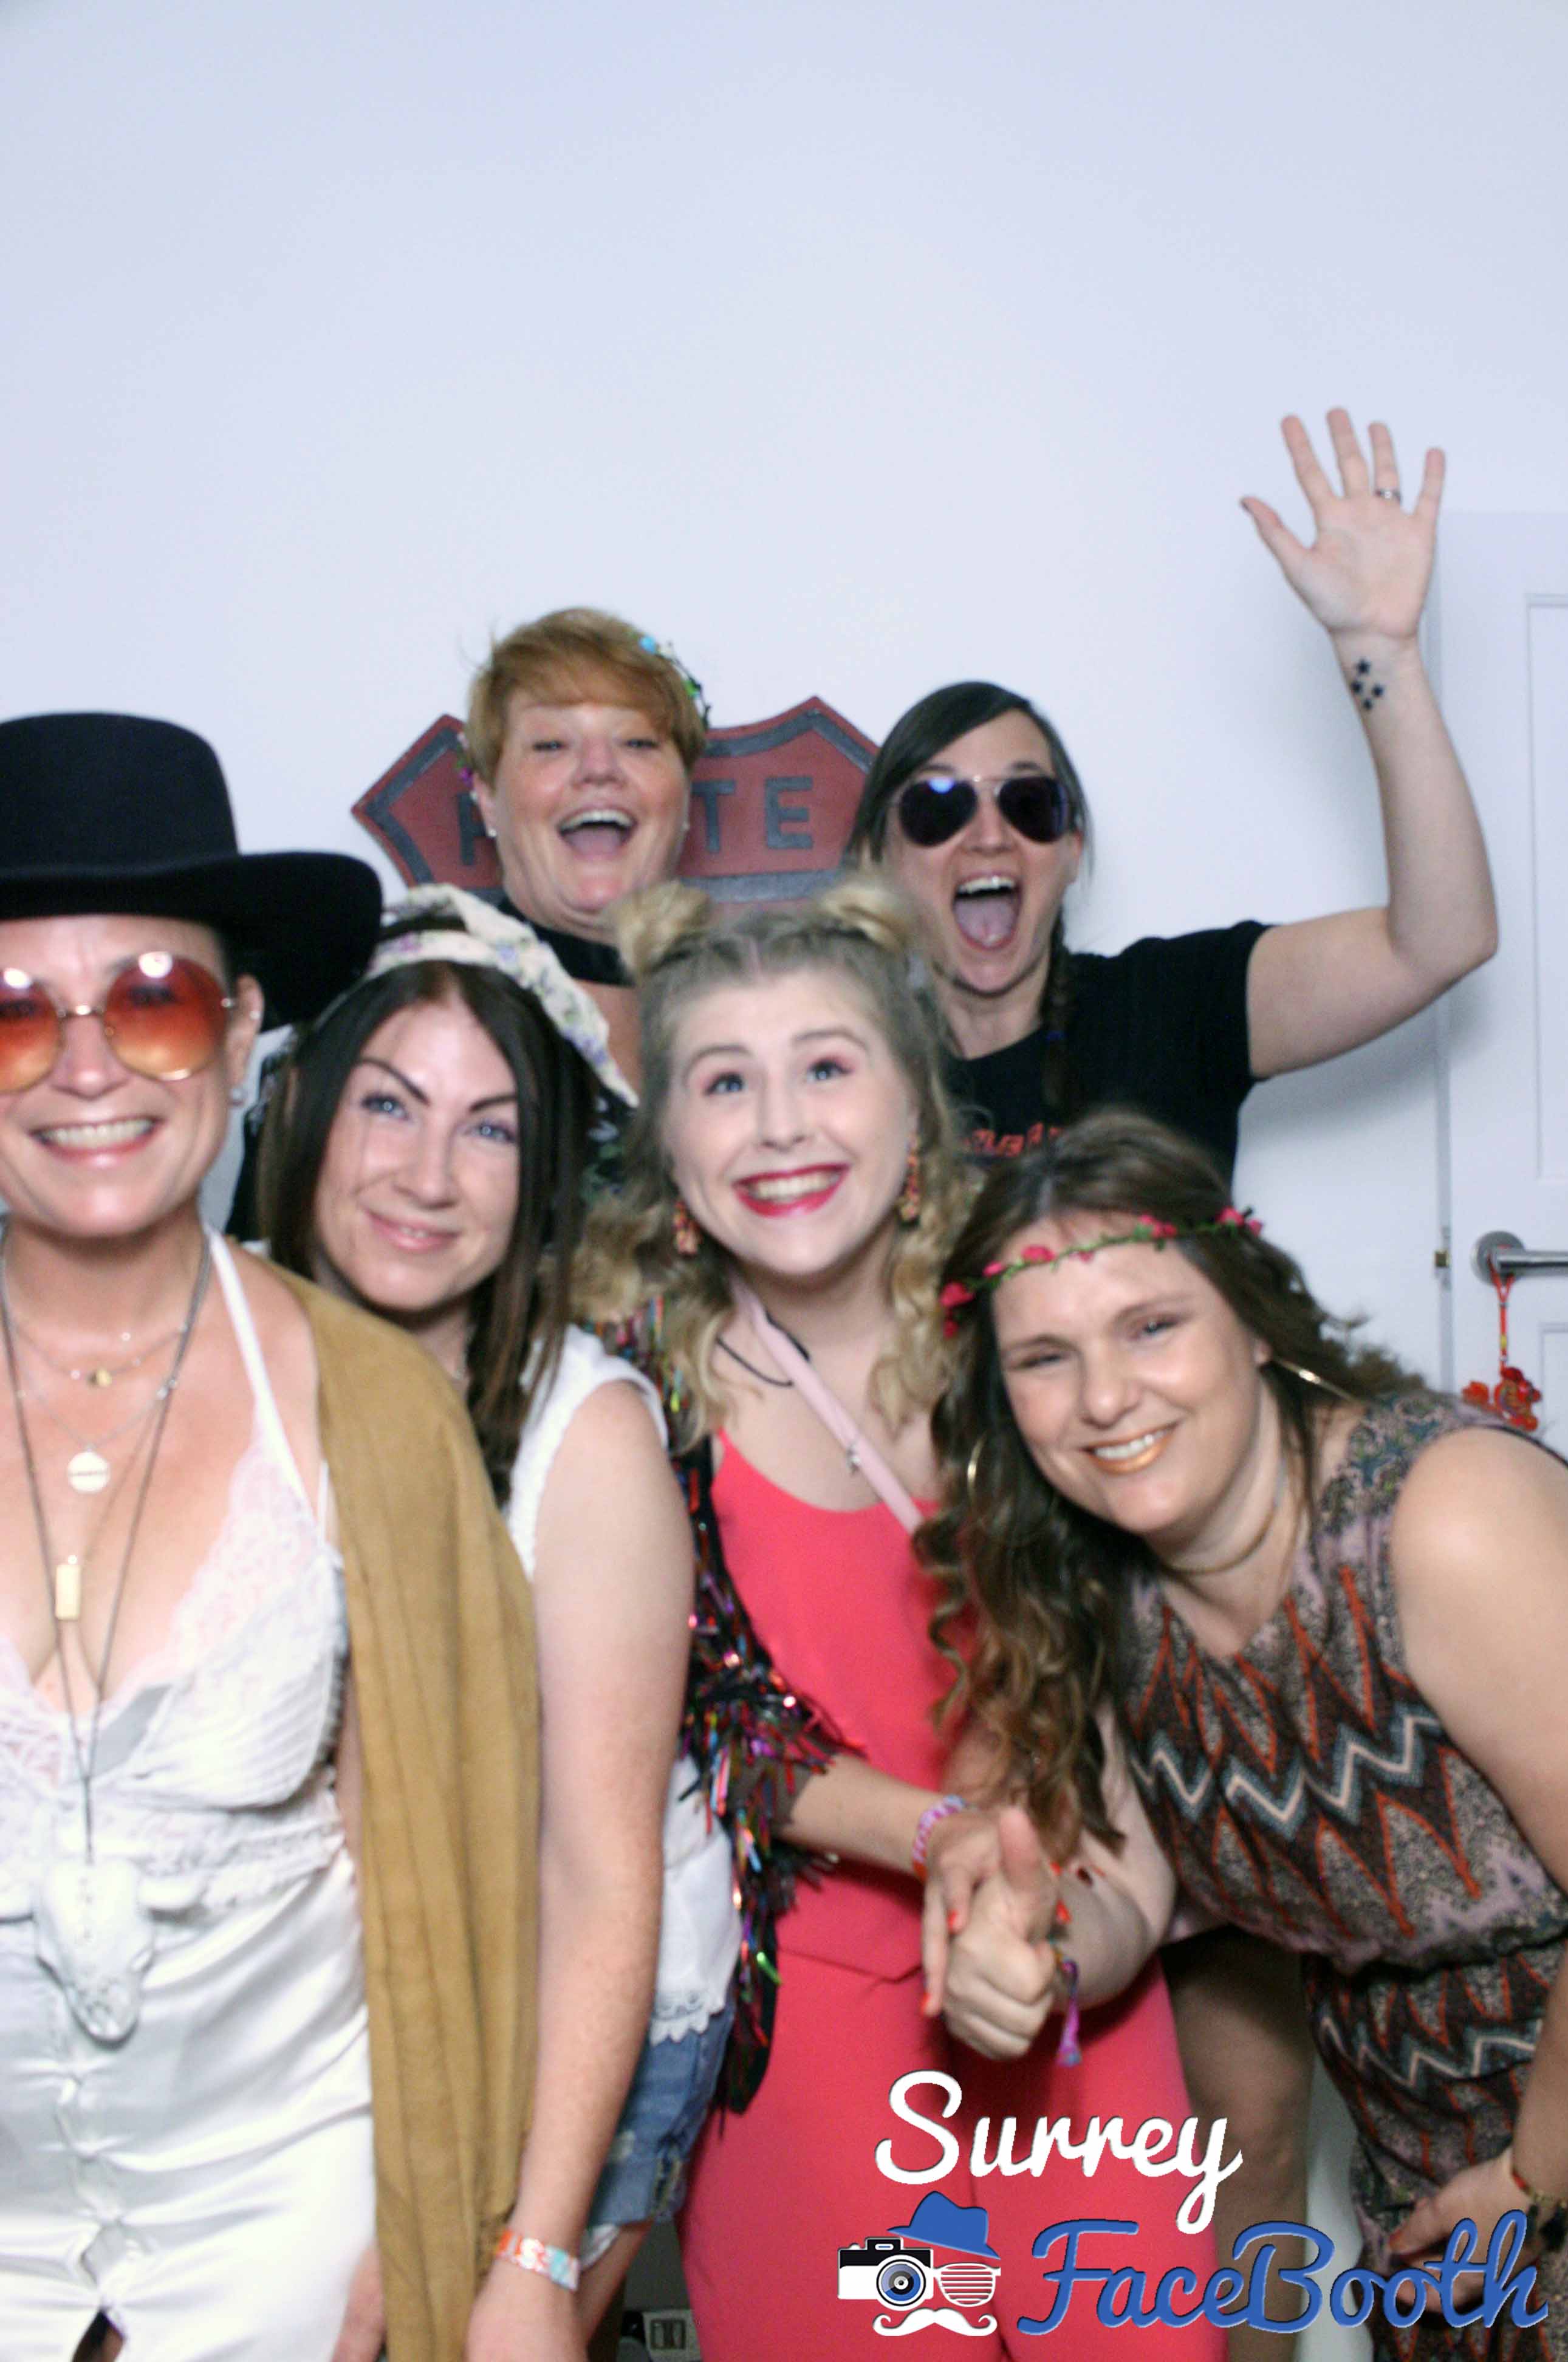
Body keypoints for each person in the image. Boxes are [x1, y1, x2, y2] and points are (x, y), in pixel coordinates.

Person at [577, 881, 1226, 2362]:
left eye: (827, 1065)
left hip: (1066, 1988)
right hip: (813, 2036)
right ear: (668, 1150)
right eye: (722, 1082)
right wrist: (941, 1838)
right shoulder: (629, 1401)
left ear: (919, 1114)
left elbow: (1138, 1680)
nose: (779, 1125)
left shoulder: (1040, 1339)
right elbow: (681, 1729)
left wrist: (1067, 1935)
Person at [0, 713, 538, 2362]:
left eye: (153, 999)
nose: (88, 1067)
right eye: (13, 1013)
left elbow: (454, 1870)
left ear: (239, 1034)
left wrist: (429, 2228)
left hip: (289, 2242)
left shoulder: (373, 1411)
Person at [921, 1110, 1568, 2361]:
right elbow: (1131, 1892)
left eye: (1150, 1326)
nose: (1103, 1397)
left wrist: (1534, 2177)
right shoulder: (1101, 1587)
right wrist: (1037, 1946)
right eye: (1045, 1357)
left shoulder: (1439, 1518)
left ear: (1255, 1321)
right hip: (1441, 2206)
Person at [256, 881, 722, 2359]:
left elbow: (599, 1871)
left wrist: (530, 2249)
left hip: (558, 2033)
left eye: (491, 1129)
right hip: (306, 2026)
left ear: (543, 1179)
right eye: (389, 1105)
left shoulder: (587, 1439)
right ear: (302, 1111)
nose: (428, 1174)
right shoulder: (213, 1370)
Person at [846, 410, 1496, 1181]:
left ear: (1071, 848)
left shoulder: (1168, 1008)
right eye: (938, 807)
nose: (989, 835)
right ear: (878, 859)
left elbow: (1440, 943)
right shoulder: (841, 1074)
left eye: (1028, 805)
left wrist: (1380, 652)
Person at [465, 605, 710, 1098]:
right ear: (489, 800)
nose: (599, 768)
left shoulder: (744, 1008)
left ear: (685, 796)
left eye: (637, 743)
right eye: (552, 745)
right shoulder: (433, 1009)